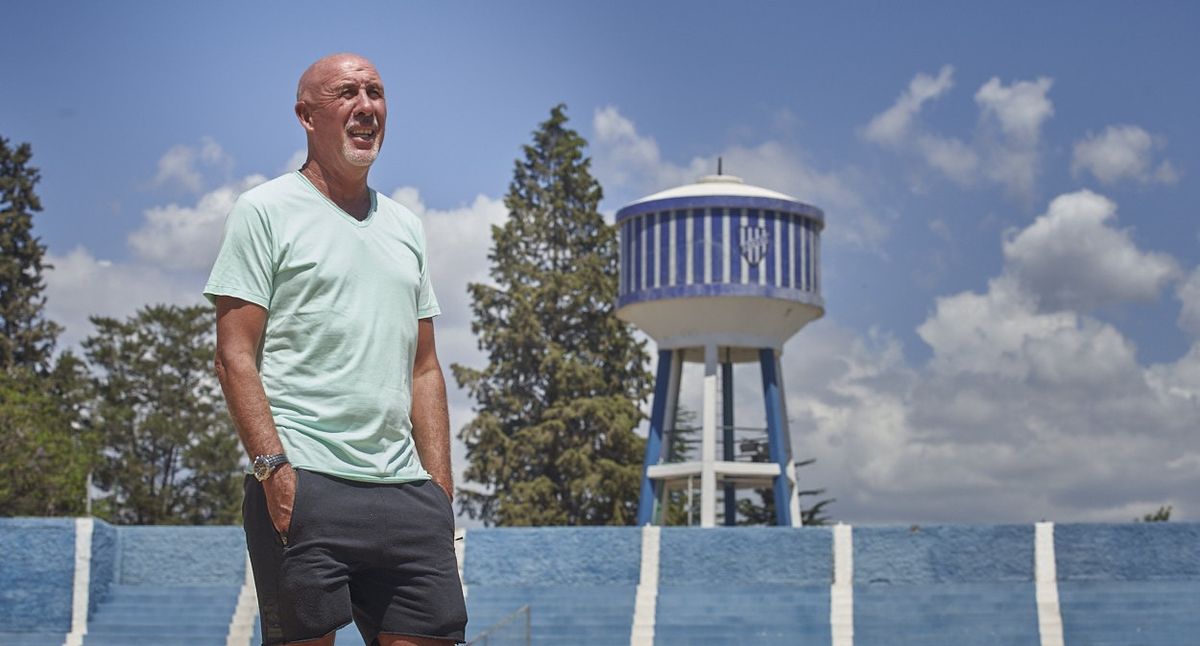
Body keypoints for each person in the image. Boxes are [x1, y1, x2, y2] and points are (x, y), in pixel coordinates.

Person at [205, 53, 468, 646]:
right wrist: (274, 474)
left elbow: (425, 368)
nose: (366, 106)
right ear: (306, 116)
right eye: (347, 93)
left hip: (407, 492)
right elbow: (233, 355)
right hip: (306, 481)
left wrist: (440, 492)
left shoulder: (406, 226)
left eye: (375, 92)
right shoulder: (263, 211)